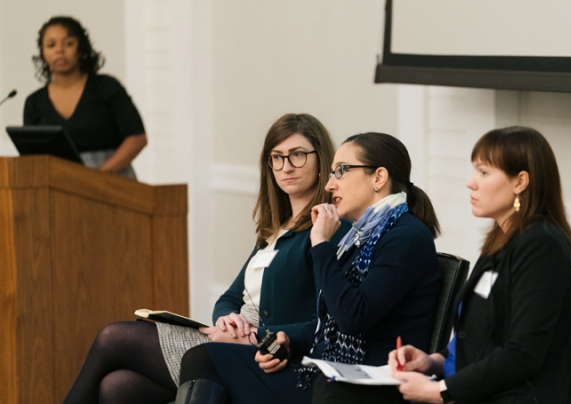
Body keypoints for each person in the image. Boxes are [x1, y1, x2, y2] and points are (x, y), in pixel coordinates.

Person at [63, 113, 348, 404]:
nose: (286, 166)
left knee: (114, 338)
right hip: (232, 340)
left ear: (320, 158)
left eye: (297, 155)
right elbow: (229, 297)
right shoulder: (274, 229)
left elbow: (327, 319)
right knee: (118, 386)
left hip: (266, 352)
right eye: (277, 157)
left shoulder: (327, 228)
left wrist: (255, 335)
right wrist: (228, 319)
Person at [175, 132, 442, 404]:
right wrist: (286, 341)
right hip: (327, 370)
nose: (330, 185)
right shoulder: (363, 237)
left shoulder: (405, 236)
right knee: (205, 356)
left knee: (204, 358)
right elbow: (328, 323)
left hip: (362, 385)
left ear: (378, 177)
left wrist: (321, 243)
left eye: (341, 171)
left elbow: (353, 317)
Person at [386, 126, 571, 404]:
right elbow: (482, 337)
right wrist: (434, 362)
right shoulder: (502, 238)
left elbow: (522, 353)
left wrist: (439, 392)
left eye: (484, 172)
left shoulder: (542, 245)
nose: (471, 182)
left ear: (520, 181)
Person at [24, 16, 147, 179]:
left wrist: (99, 175)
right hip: (59, 184)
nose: (59, 50)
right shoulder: (34, 102)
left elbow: (137, 138)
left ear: (81, 48)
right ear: (42, 52)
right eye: (51, 45)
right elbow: (31, 156)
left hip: (113, 179)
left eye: (68, 43)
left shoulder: (106, 87)